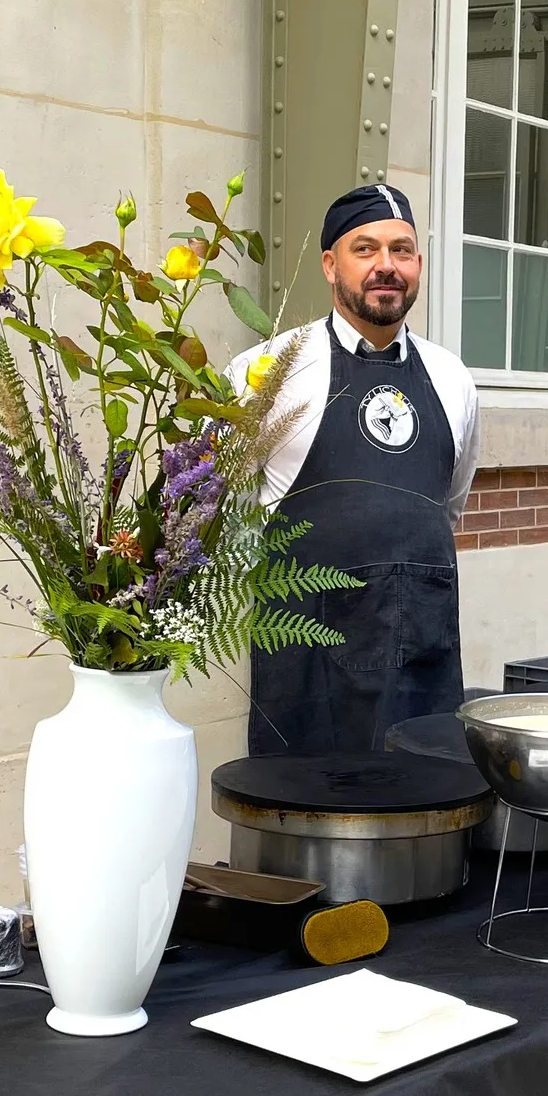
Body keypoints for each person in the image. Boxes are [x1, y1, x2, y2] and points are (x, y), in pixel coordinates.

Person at [229, 184, 480, 755]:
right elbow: (212, 509)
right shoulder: (265, 373)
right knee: (309, 820)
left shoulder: (452, 379)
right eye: (364, 249)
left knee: (424, 816)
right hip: (306, 663)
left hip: (423, 655)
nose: (385, 266)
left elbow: (447, 504)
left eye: (402, 250)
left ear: (417, 264)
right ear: (329, 264)